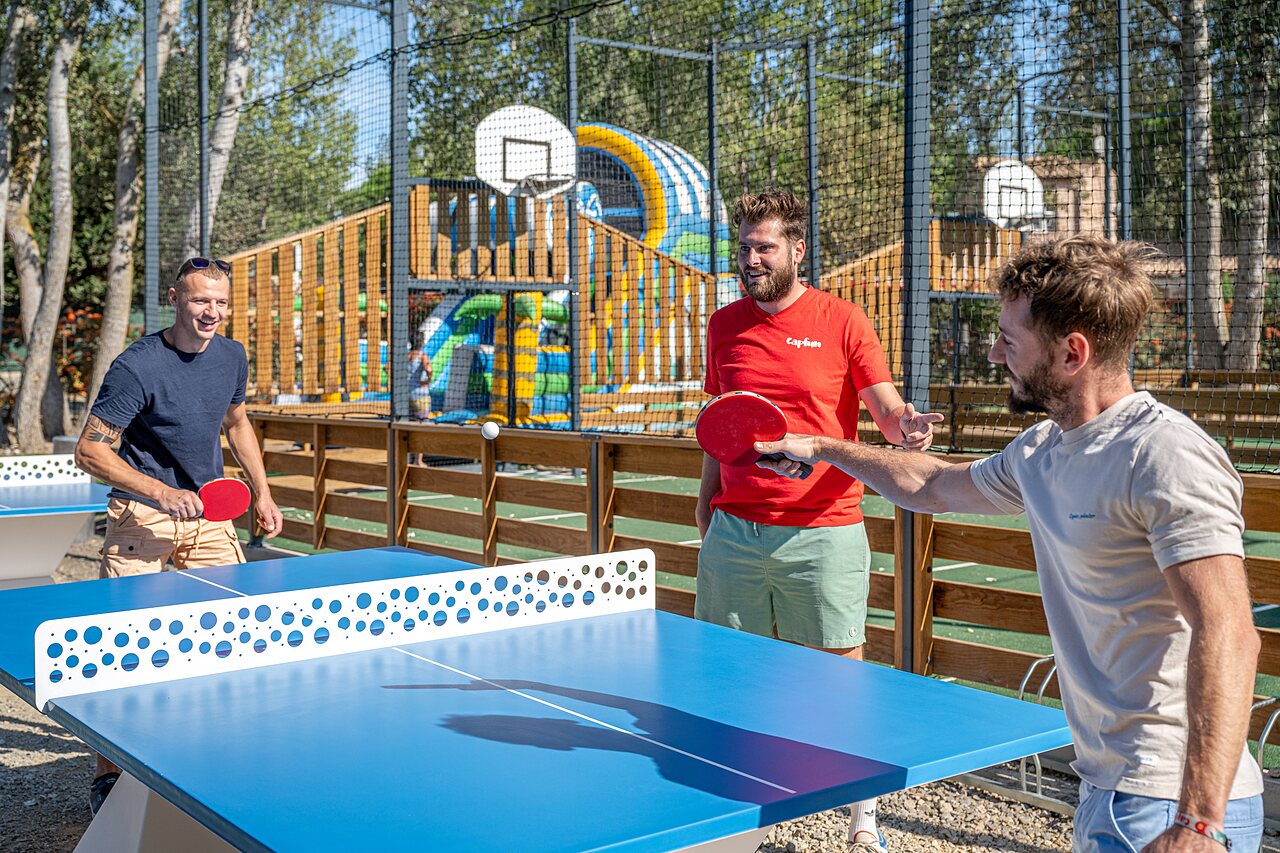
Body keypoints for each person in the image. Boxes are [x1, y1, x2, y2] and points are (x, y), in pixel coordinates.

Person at [756, 235, 1263, 853]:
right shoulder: (1043, 451)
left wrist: (1200, 823)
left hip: (1172, 802)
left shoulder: (1163, 453)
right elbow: (932, 484)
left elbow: (1228, 631)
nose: (996, 354)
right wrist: (823, 447)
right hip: (1112, 788)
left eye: (1010, 340)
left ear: (1072, 353)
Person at [696, 188, 941, 853]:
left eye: (763, 246)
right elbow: (724, 428)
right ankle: (729, 824)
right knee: (726, 678)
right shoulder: (722, 326)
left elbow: (885, 408)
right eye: (744, 246)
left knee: (841, 679)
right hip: (735, 532)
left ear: (797, 249)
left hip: (825, 528)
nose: (750, 258)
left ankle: (863, 819)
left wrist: (906, 426)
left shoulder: (844, 320)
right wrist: (706, 515)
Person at [74, 256, 284, 815]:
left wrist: (262, 491)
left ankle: (205, 752)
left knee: (230, 633)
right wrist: (160, 492)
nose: (211, 312)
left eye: (220, 302)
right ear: (175, 298)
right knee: (125, 650)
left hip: (209, 518)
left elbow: (236, 422)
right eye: (199, 301)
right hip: (142, 520)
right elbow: (90, 450)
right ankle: (109, 776)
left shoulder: (232, 356)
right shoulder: (137, 367)